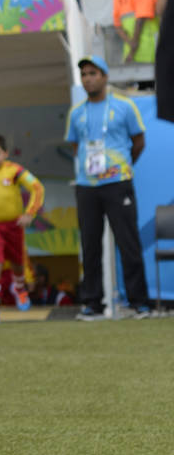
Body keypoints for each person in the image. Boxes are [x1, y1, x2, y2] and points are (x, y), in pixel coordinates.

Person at [66, 55, 152, 319]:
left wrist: (121, 166)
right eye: (84, 75)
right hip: (87, 186)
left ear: (105, 77)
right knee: (90, 245)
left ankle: (138, 303)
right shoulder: (76, 112)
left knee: (128, 242)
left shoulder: (124, 106)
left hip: (118, 183)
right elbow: (75, 146)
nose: (88, 79)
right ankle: (93, 303)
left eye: (93, 73)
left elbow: (138, 141)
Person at [0, 133, 45, 323]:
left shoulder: (14, 170)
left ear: (5, 153)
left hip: (14, 225)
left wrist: (30, 213)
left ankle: (20, 289)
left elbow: (37, 187)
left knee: (17, 263)